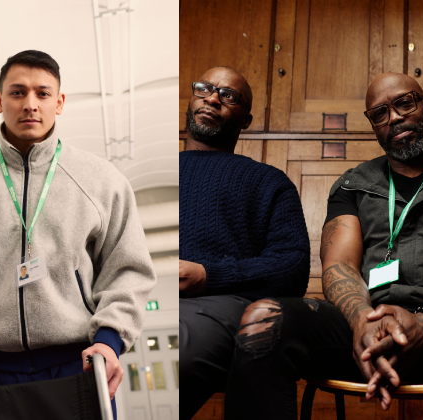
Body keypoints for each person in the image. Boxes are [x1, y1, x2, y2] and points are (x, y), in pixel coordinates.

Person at [223, 73, 423, 419]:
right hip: (360, 331)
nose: (394, 117)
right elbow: (339, 267)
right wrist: (362, 321)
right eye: (379, 113)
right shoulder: (352, 185)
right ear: (373, 126)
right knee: (264, 320)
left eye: (404, 104)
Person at [0, 50, 155, 404]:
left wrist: (109, 339)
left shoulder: (101, 181)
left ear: (59, 102)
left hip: (76, 368)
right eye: (18, 93)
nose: (30, 104)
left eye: (42, 94)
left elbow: (128, 271)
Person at [178, 66, 310, 420]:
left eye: (229, 95)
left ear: (246, 119)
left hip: (216, 303)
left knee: (162, 357)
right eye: (204, 87)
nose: (212, 98)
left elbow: (292, 266)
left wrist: (209, 275)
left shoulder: (268, 181)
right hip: (140, 300)